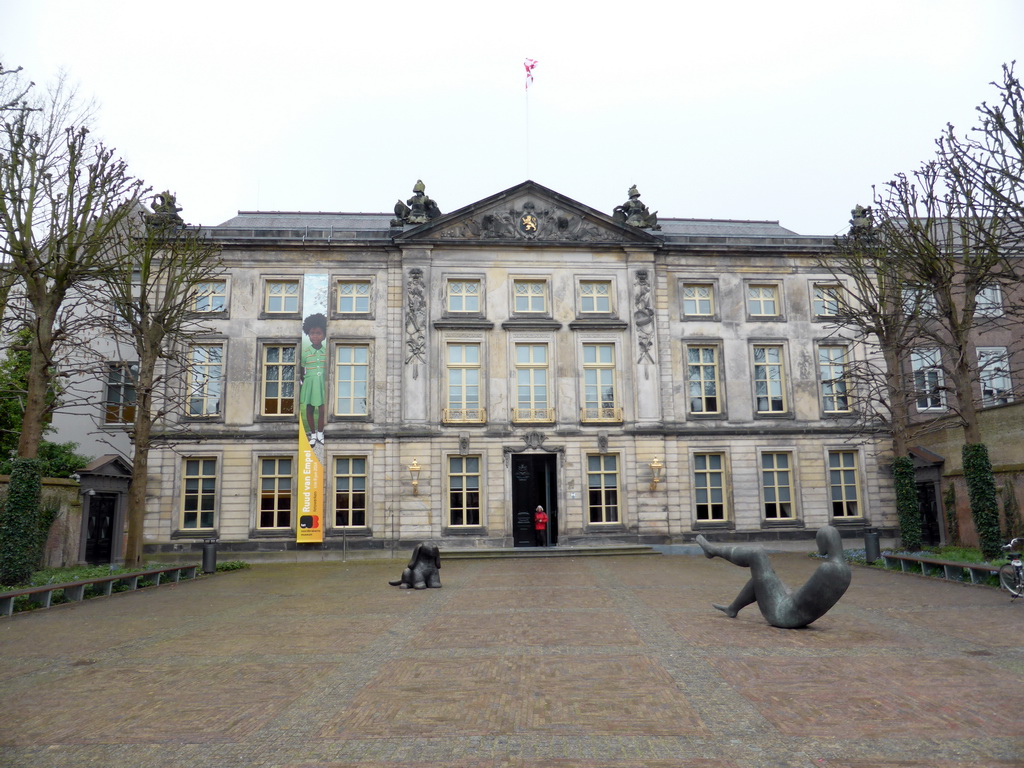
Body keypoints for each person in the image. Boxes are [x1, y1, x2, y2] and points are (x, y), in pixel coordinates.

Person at [695, 525, 851, 629]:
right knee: (764, 578)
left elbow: (802, 602)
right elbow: (808, 601)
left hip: (784, 614)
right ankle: (732, 608)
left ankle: (713, 550)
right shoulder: (845, 572)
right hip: (795, 614)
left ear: (824, 543)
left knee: (757, 554)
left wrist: (778, 588)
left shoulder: (827, 569)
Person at [299, 313, 327, 445]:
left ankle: (321, 433)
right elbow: (301, 368)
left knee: (322, 409)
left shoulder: (327, 351)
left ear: (324, 334)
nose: (315, 336)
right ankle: (313, 435)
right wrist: (303, 380)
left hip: (322, 383)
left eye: (318, 333)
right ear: (308, 334)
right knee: (309, 409)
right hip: (309, 382)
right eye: (312, 333)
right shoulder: (305, 351)